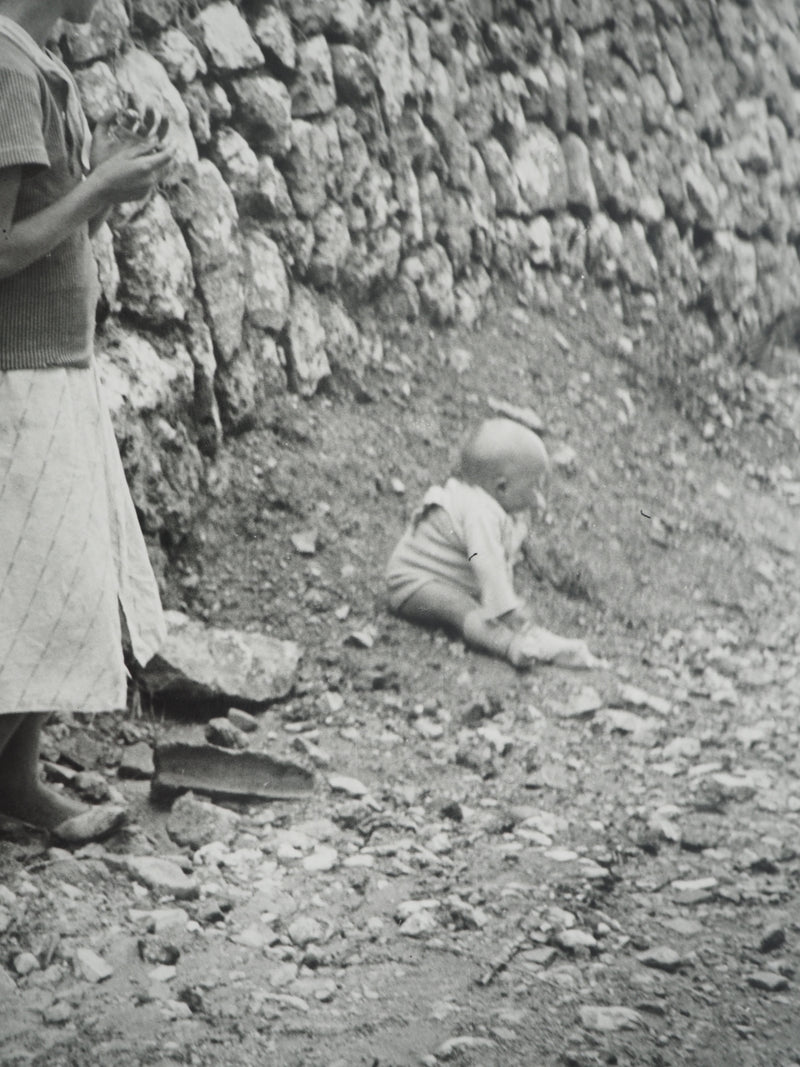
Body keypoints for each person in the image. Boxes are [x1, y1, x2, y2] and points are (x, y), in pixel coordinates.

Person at [0, 0, 175, 844]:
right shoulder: (4, 66)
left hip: (55, 371)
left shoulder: (40, 63)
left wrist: (96, 179)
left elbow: (54, 230)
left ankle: (16, 780)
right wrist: (97, 189)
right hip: (17, 380)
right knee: (34, 593)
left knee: (56, 591)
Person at [385, 418, 603, 669]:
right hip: (413, 583)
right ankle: (509, 645)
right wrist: (505, 609)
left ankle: (544, 646)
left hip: (439, 581)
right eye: (534, 488)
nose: (540, 501)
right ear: (502, 486)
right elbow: (486, 562)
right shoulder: (480, 512)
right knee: (468, 610)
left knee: (486, 608)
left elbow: (500, 554)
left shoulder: (489, 505)